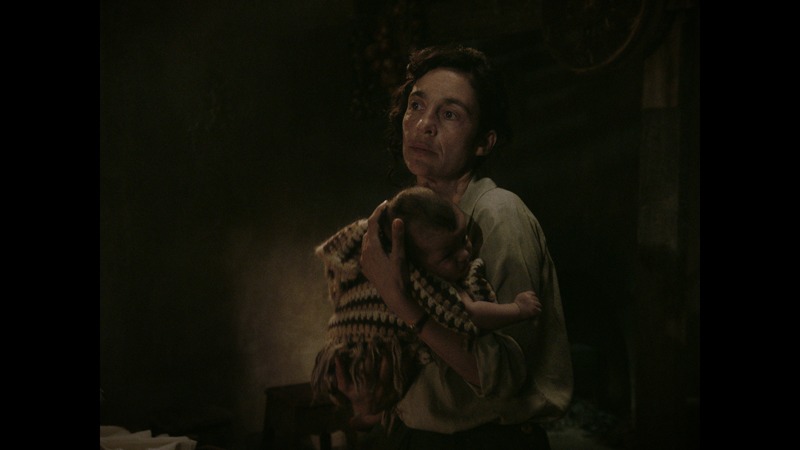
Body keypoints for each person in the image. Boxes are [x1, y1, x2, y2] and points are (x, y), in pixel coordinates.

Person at [339, 44, 574, 450]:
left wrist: (402, 303)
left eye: (449, 114)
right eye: (416, 106)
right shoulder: (411, 219)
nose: (424, 125)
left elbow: (503, 375)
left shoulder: (497, 214)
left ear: (484, 141)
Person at [379, 185, 542, 331]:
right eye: (447, 255)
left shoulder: (437, 257)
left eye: (463, 239)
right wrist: (517, 309)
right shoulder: (435, 287)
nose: (464, 254)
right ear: (415, 263)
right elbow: (474, 314)